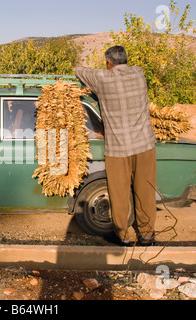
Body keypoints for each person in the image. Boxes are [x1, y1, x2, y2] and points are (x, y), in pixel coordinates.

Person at [75, 46, 157, 246]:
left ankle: (123, 235)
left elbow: (79, 70)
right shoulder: (139, 74)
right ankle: (146, 235)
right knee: (145, 190)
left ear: (108, 62)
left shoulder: (103, 79)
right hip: (144, 144)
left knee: (119, 192)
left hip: (118, 148)